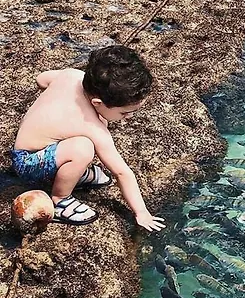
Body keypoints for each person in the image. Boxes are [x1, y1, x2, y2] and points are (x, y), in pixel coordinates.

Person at [11, 45, 165, 232]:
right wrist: (141, 212)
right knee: (82, 148)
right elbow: (122, 173)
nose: (129, 117)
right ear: (97, 102)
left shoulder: (72, 75)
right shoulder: (92, 127)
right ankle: (60, 200)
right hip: (28, 163)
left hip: (36, 148)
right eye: (124, 113)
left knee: (92, 130)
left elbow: (41, 79)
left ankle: (68, 172)